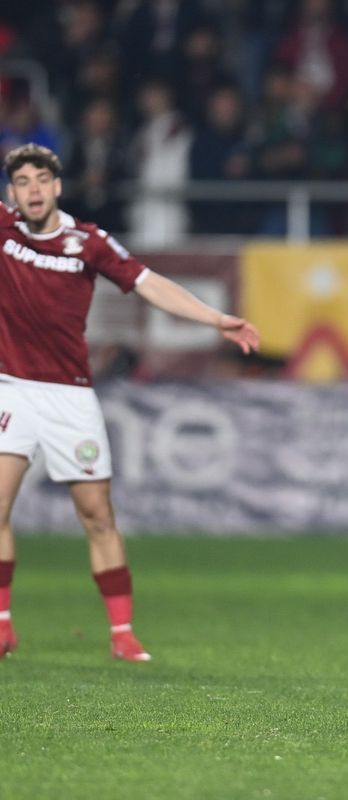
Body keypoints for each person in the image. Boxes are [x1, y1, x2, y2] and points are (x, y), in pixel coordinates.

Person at [0, 143, 260, 660]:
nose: (32, 189)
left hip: (70, 395)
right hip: (10, 388)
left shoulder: (88, 242)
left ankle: (122, 634)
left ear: (56, 187)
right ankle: (3, 625)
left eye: (40, 180)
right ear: (11, 192)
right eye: (22, 181)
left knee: (97, 515)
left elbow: (150, 285)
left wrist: (215, 318)